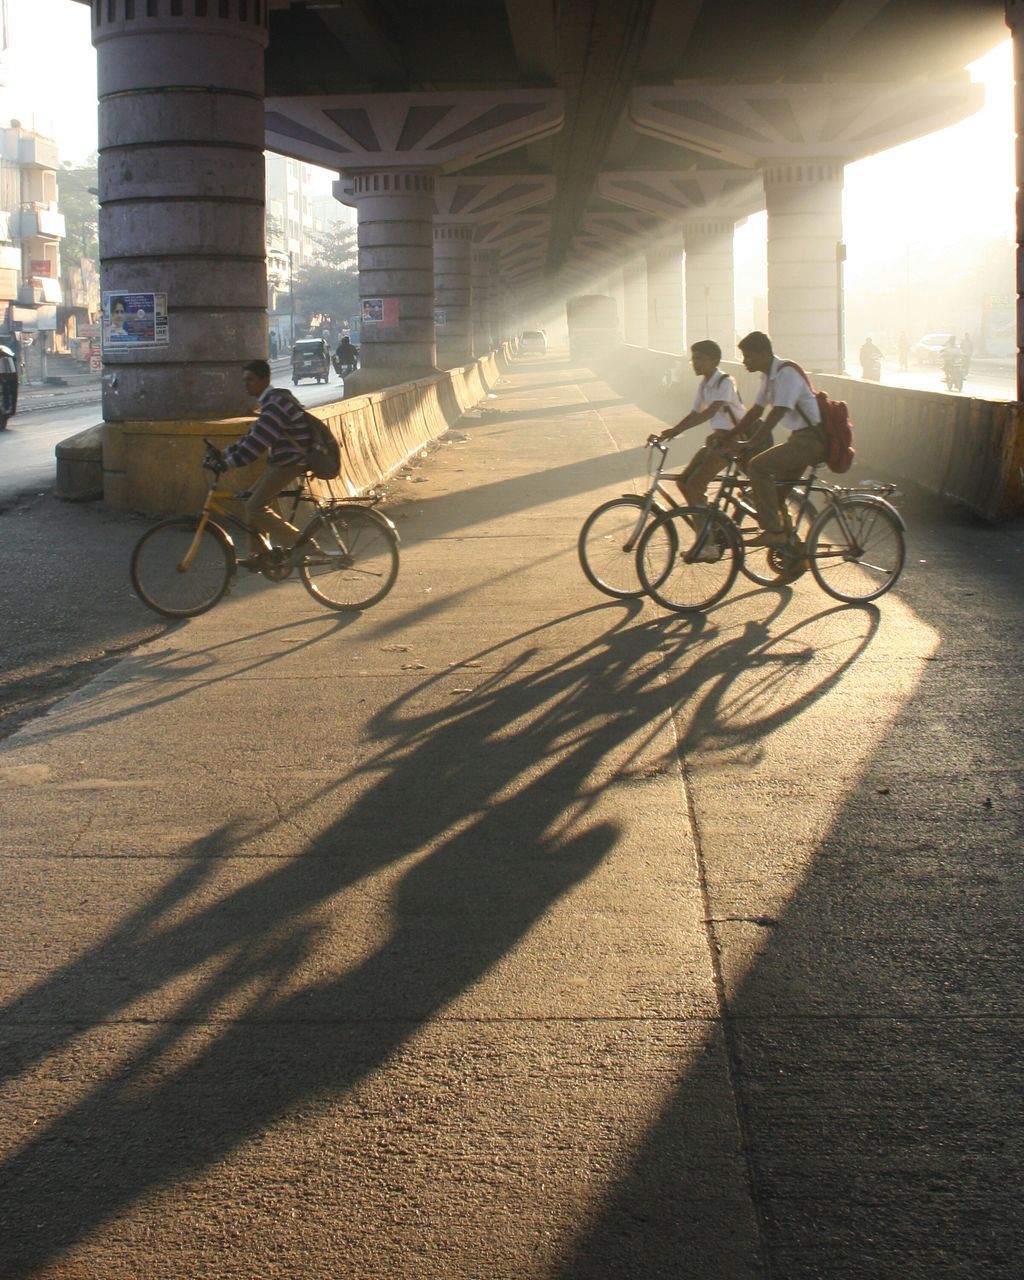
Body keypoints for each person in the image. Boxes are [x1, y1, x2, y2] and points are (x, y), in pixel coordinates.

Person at [720, 331, 828, 548]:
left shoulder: (785, 374)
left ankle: (774, 532)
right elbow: (756, 411)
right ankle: (792, 551)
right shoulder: (768, 377)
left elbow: (777, 411)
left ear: (764, 354)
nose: (745, 362)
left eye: (749, 357)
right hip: (800, 439)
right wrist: (731, 436)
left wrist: (751, 442)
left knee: (757, 467)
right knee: (776, 496)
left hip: (810, 441)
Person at [213, 359, 313, 568]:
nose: (246, 385)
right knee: (251, 499)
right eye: (244, 380)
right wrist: (223, 454)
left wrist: (227, 464)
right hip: (282, 461)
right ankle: (260, 556)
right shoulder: (270, 402)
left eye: (250, 380)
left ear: (264, 379)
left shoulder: (274, 406)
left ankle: (300, 543)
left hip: (290, 461)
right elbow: (251, 437)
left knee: (254, 505)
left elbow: (253, 448)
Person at [657, 339, 751, 516]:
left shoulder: (725, 381)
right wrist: (673, 430)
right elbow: (695, 412)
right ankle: (708, 523)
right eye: (694, 359)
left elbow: (710, 412)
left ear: (714, 361)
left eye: (700, 359)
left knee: (695, 484)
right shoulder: (704, 385)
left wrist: (678, 430)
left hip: (731, 440)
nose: (695, 363)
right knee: (683, 481)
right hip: (718, 439)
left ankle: (707, 539)